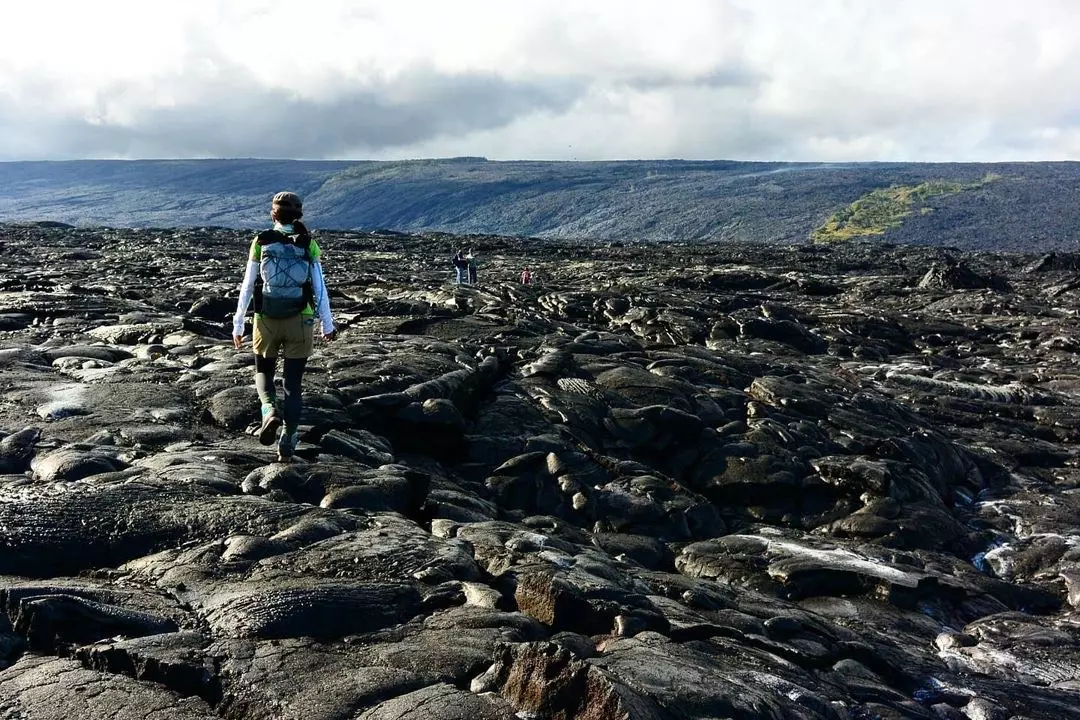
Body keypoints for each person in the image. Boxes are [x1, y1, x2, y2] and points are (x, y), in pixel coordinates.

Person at [232, 191, 336, 461]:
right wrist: (327, 323)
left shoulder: (261, 241)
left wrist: (238, 322)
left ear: (273, 214)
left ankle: (269, 411)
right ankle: (288, 439)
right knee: (293, 383)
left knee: (263, 369)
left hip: (266, 318)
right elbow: (320, 287)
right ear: (298, 214)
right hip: (300, 320)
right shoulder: (308, 244)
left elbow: (247, 284)